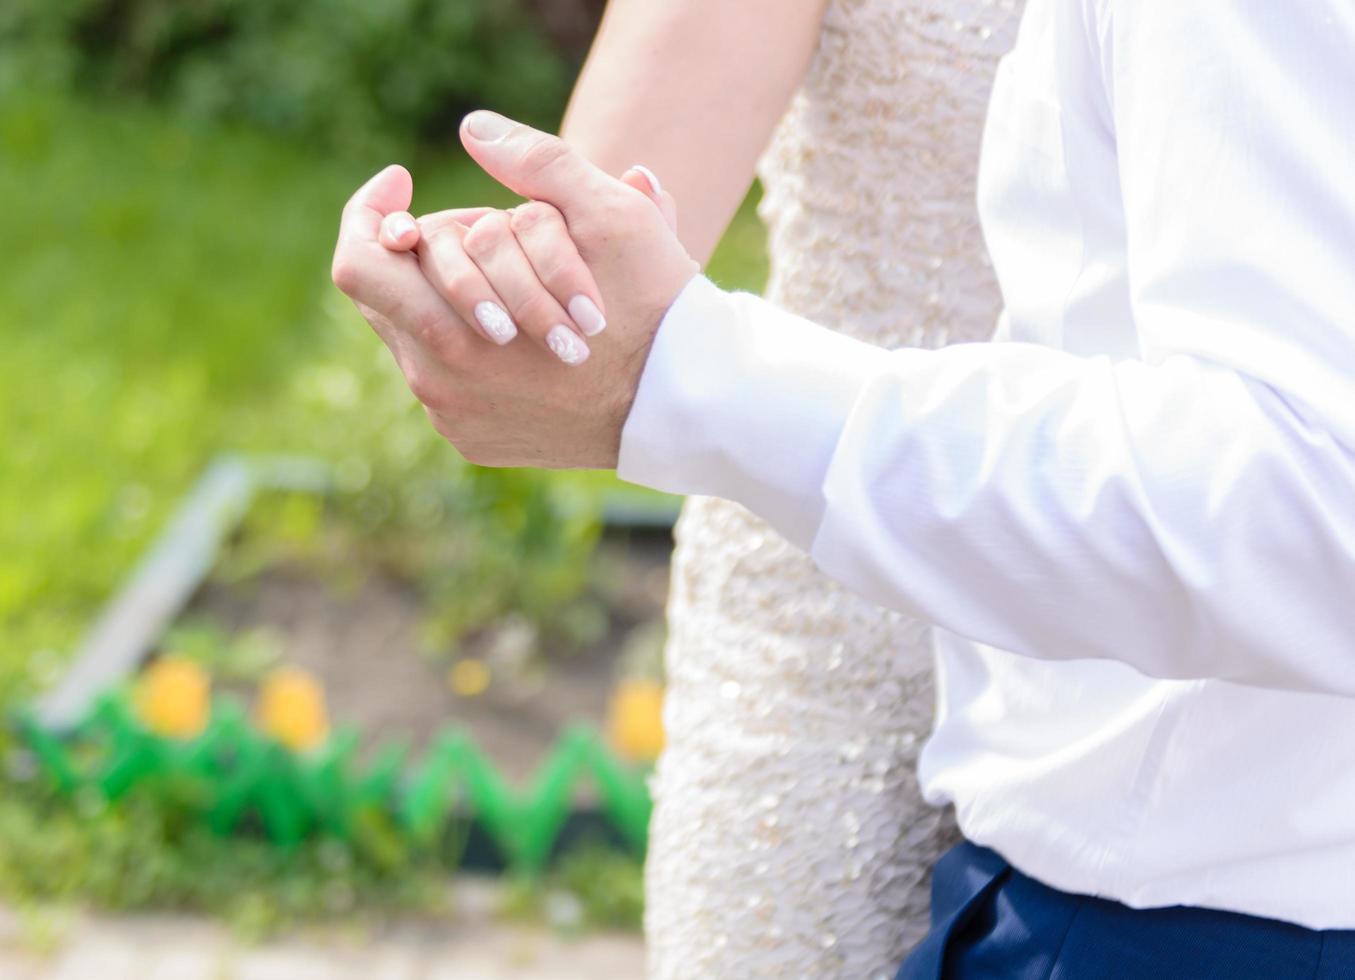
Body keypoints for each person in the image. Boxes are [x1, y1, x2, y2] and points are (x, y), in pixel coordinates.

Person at [332, 0, 1355, 975]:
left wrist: (695, 376)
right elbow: (584, 266)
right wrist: (493, 290)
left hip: (1174, 673)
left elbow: (1304, 468)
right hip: (836, 615)